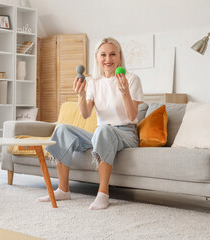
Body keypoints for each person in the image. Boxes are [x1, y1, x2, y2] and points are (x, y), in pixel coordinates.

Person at [37, 37, 144, 210]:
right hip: (102, 133)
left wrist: (125, 93)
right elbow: (86, 114)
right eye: (103, 55)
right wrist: (80, 95)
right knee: (63, 129)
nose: (108, 59)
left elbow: (132, 116)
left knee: (103, 131)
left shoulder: (131, 79)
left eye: (112, 54)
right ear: (96, 57)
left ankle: (103, 194)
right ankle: (63, 189)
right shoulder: (94, 82)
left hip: (126, 134)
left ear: (119, 56)